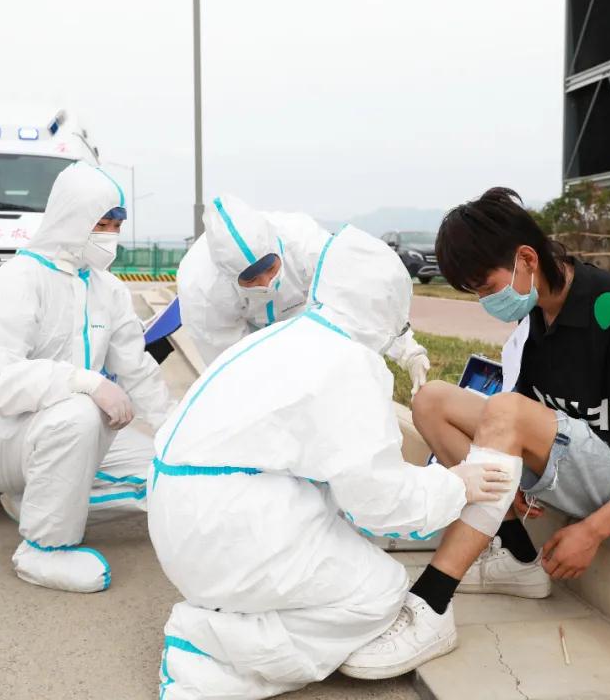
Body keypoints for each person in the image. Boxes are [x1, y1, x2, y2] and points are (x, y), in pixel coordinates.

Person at [343, 187, 610, 678]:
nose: (485, 301)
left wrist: (593, 530)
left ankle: (431, 605)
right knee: (431, 400)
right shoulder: (536, 318)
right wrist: (506, 479)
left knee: (507, 411)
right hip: (582, 465)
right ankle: (519, 558)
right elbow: (527, 423)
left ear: (526, 259)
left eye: (486, 286)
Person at [147, 225, 515, 698]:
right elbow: (379, 501)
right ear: (391, 304)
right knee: (380, 591)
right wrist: (455, 486)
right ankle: (208, 648)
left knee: (335, 553)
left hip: (182, 522)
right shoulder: (349, 366)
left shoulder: (289, 337)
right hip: (226, 534)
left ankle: (228, 614)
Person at [0, 162, 174, 594]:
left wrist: (176, 432)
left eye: (116, 226)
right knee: (78, 412)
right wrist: (87, 381)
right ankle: (44, 549)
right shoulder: (13, 284)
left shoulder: (107, 289)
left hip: (65, 431)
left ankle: (35, 501)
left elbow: (136, 368)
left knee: (172, 476)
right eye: (101, 225)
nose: (110, 236)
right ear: (71, 218)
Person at [177, 194, 431, 395]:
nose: (266, 283)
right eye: (251, 279)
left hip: (308, 320)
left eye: (270, 268)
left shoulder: (303, 241)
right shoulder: (202, 290)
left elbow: (361, 295)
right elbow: (231, 365)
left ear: (277, 247)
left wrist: (407, 350)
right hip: (250, 337)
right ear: (229, 276)